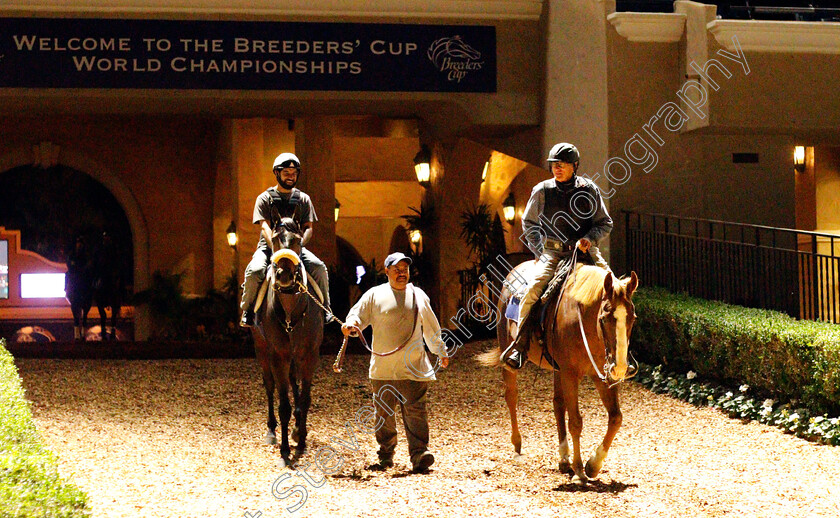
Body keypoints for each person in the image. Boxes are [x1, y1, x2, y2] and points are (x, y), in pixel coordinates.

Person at [500, 142, 613, 369]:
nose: (557, 168)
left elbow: (605, 222)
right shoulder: (542, 191)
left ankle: (622, 350)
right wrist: (540, 251)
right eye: (554, 164)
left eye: (562, 164)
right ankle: (520, 346)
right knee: (532, 290)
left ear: (575, 166)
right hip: (553, 252)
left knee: (617, 291)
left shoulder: (590, 189)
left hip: (586, 251)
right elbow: (529, 223)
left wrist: (589, 238)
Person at [341, 252, 449, 473]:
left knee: (416, 412)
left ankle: (419, 454)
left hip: (414, 367)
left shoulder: (418, 295)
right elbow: (357, 316)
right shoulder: (374, 295)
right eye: (396, 269)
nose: (402, 273)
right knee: (384, 415)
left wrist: (440, 351)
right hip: (383, 369)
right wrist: (351, 325)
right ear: (386, 270)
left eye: (405, 269)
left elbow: (431, 326)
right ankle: (385, 455)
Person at [239, 152, 332, 327]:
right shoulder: (264, 199)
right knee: (254, 271)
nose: (291, 177)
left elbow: (309, 228)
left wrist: (299, 245)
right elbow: (265, 226)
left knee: (319, 268)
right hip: (270, 248)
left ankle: (325, 308)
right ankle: (248, 310)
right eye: (287, 173)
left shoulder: (304, 199)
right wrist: (277, 249)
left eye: (294, 173)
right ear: (277, 173)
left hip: (296, 249)